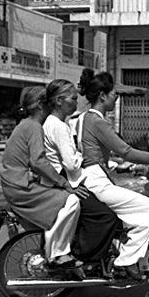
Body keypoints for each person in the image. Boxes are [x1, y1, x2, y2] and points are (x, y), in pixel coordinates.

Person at [76, 68, 149, 280]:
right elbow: (126, 150)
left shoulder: (81, 119)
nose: (117, 98)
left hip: (89, 176)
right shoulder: (98, 122)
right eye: (115, 94)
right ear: (103, 96)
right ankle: (126, 261)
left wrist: (122, 166)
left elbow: (93, 154)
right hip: (97, 182)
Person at [0, 86, 88, 269]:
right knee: (71, 200)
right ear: (41, 105)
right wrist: (64, 183)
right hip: (20, 187)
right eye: (48, 101)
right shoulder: (33, 127)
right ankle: (58, 254)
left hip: (15, 184)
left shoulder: (25, 125)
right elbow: (38, 161)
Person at [43, 79, 120, 261]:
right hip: (67, 181)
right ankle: (83, 258)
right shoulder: (59, 126)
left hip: (61, 179)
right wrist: (82, 158)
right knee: (106, 217)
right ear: (59, 100)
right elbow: (70, 163)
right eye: (72, 99)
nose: (76, 103)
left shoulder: (53, 122)